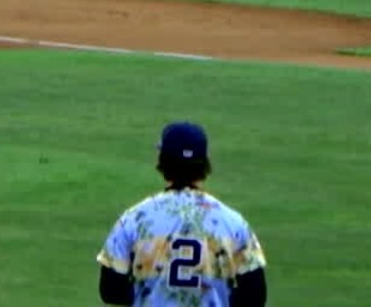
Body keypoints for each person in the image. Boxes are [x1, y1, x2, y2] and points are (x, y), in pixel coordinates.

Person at [96, 121, 268, 305]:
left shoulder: (135, 219)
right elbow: (255, 295)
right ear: (204, 163)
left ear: (162, 161)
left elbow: (111, 290)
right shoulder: (233, 223)